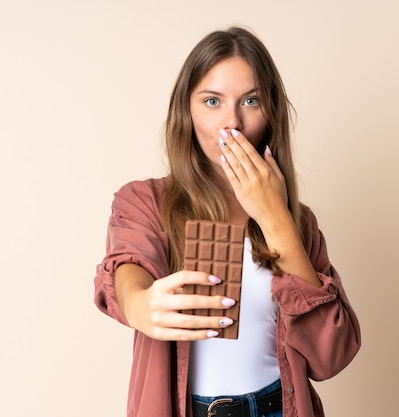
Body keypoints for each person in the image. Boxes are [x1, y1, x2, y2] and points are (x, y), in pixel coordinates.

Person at [94, 26, 361, 417]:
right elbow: (128, 269)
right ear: (187, 109)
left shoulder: (297, 223)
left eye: (250, 100)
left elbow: (331, 357)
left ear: (270, 114)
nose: (231, 123)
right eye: (212, 101)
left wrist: (275, 220)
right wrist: (138, 304)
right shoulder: (144, 202)